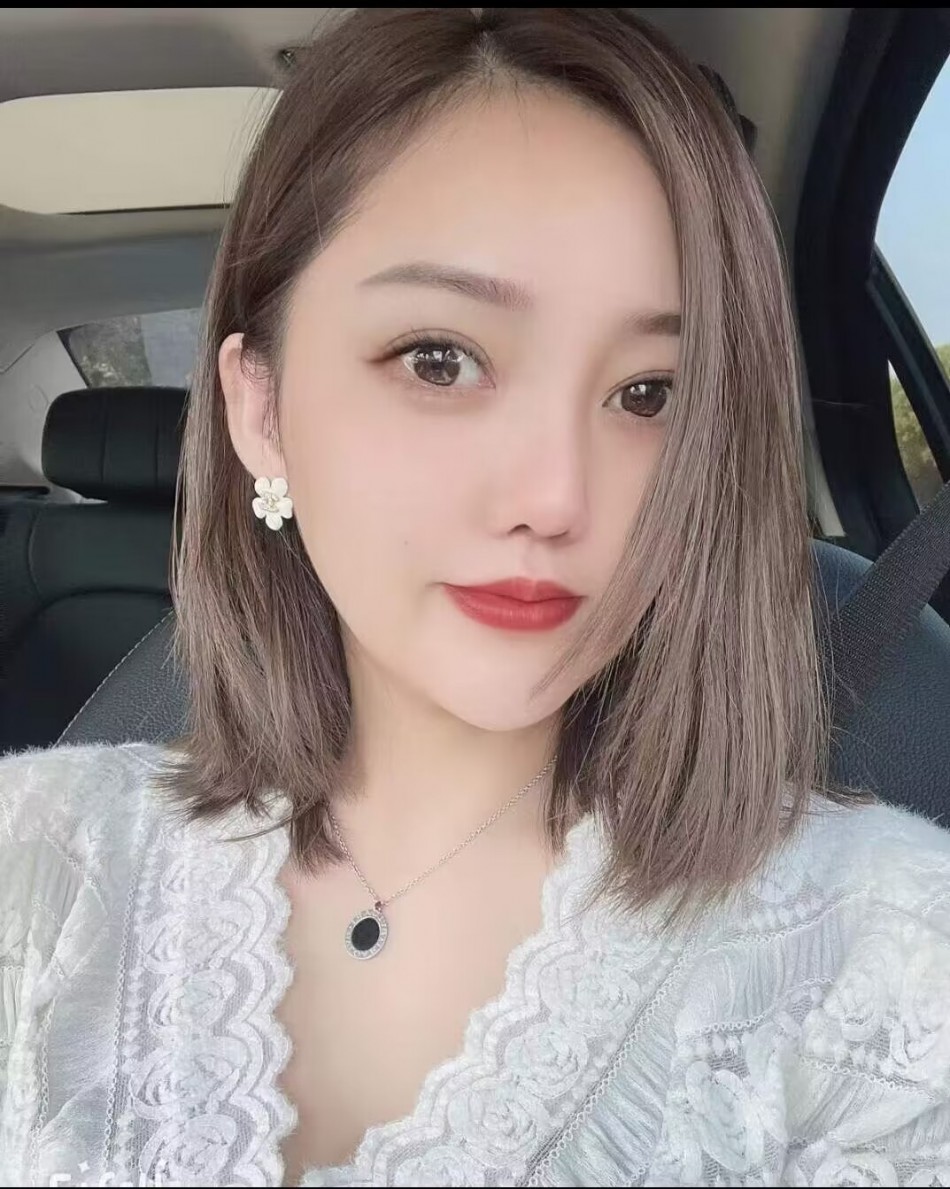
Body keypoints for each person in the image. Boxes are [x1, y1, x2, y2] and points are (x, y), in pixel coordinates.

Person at [1, 8, 948, 1187]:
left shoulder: (884, 961)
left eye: (649, 394)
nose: (553, 496)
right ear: (259, 408)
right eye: (439, 359)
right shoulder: (36, 862)